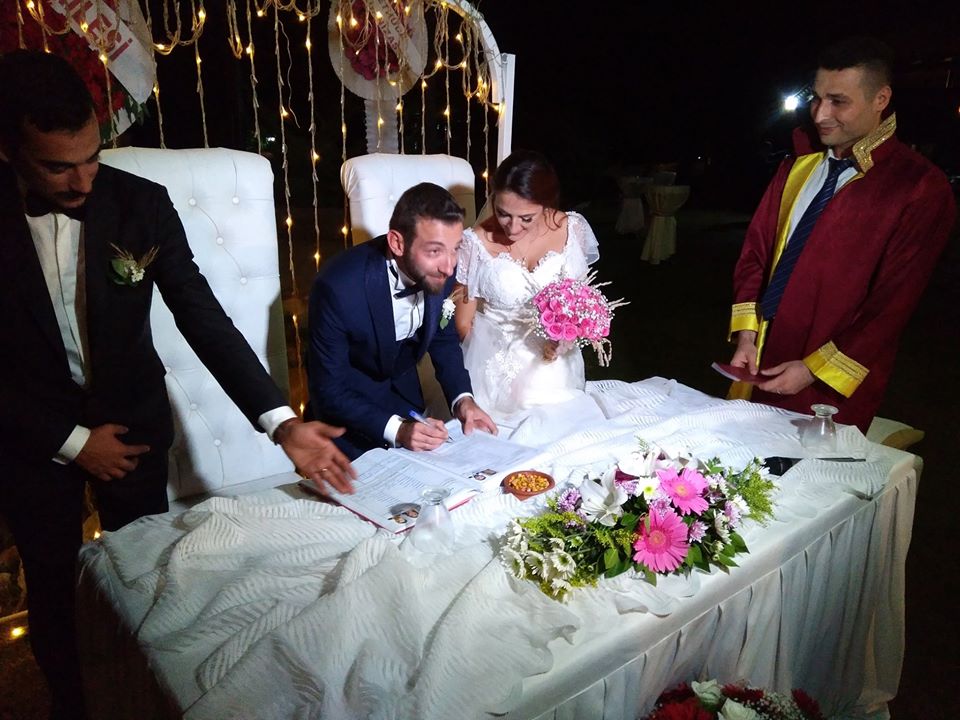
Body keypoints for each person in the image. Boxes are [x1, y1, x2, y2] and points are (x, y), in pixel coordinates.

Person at [0, 50, 356, 719]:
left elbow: (202, 317)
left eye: (91, 157)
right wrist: (73, 442)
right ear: (10, 150)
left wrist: (282, 422)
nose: (82, 180)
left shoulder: (140, 203)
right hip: (31, 439)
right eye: (57, 167)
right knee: (53, 592)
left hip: (134, 423)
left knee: (142, 584)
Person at [727, 37, 955, 431]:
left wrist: (814, 369)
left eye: (838, 101)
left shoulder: (918, 186)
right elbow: (756, 253)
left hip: (830, 382)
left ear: (881, 99)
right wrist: (747, 335)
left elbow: (892, 304)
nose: (820, 115)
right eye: (816, 99)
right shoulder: (797, 167)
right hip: (760, 355)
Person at [308, 182, 497, 459]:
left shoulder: (440, 270)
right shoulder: (337, 287)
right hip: (347, 422)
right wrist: (398, 430)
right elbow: (329, 390)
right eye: (434, 251)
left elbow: (443, 340)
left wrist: (463, 400)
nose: (449, 267)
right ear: (397, 243)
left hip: (408, 404)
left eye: (455, 248)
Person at [454, 150, 600, 420]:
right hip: (494, 365)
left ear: (545, 204)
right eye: (503, 213)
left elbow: (579, 302)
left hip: (556, 361)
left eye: (526, 218)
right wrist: (497, 368)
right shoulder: (474, 243)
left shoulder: (571, 229)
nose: (512, 227)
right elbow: (463, 323)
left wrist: (565, 340)